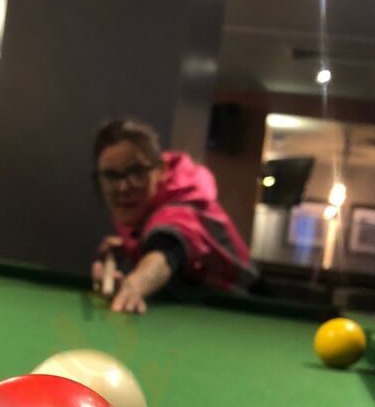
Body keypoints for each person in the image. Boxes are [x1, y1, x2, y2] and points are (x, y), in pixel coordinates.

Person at [91, 118, 257, 313]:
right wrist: (129, 247)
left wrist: (135, 284)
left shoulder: (183, 206)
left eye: (136, 172)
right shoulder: (142, 204)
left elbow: (167, 249)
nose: (123, 187)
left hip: (245, 311)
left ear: (161, 170)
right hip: (200, 309)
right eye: (111, 176)